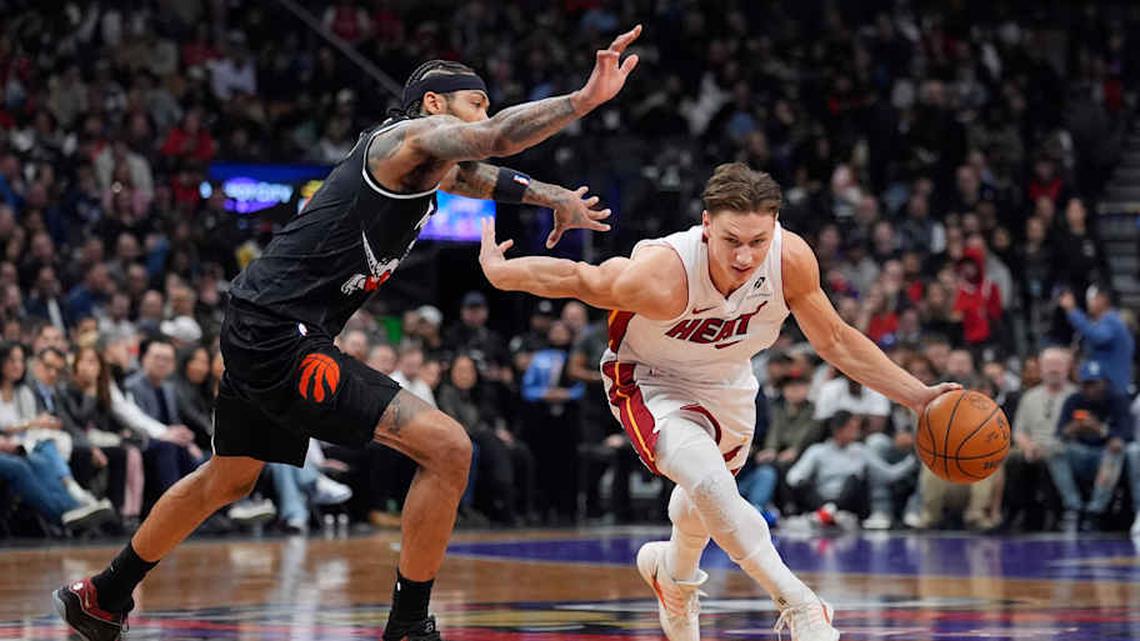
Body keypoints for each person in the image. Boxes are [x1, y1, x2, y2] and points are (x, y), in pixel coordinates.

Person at [55, 25, 642, 641]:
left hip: (262, 320)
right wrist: (582, 100)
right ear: (434, 105)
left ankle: (103, 594)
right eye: (476, 103)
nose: (483, 116)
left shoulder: (426, 165)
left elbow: (478, 176)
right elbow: (494, 141)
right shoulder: (403, 138)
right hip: (281, 332)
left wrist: (553, 196)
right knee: (449, 449)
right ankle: (408, 626)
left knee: (230, 477)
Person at [479, 162, 957, 641]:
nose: (746, 256)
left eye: (758, 241)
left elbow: (835, 340)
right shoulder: (664, 274)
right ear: (707, 224)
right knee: (709, 483)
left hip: (729, 384)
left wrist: (918, 397)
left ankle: (674, 575)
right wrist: (502, 273)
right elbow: (581, 278)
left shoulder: (789, 260)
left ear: (774, 226)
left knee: (705, 503)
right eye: (732, 241)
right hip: (651, 379)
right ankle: (802, 605)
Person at [1059, 285, 1134, 395]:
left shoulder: (1112, 320)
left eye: (1091, 299)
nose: (1088, 303)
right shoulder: (1103, 321)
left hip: (1112, 388)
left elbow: (1098, 337)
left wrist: (1072, 310)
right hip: (1104, 386)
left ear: (1102, 299)